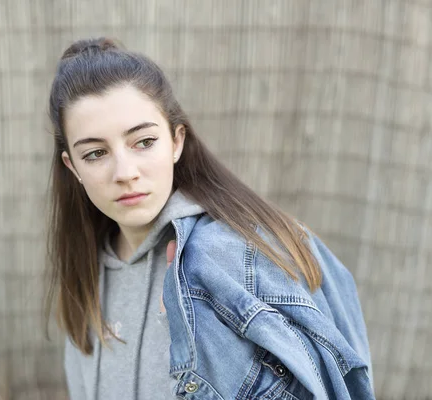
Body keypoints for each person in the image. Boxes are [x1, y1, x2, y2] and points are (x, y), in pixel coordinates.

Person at [43, 37, 374, 400]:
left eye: (143, 142)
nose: (125, 172)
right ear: (72, 166)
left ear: (176, 141)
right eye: (95, 153)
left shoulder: (235, 253)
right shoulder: (85, 267)